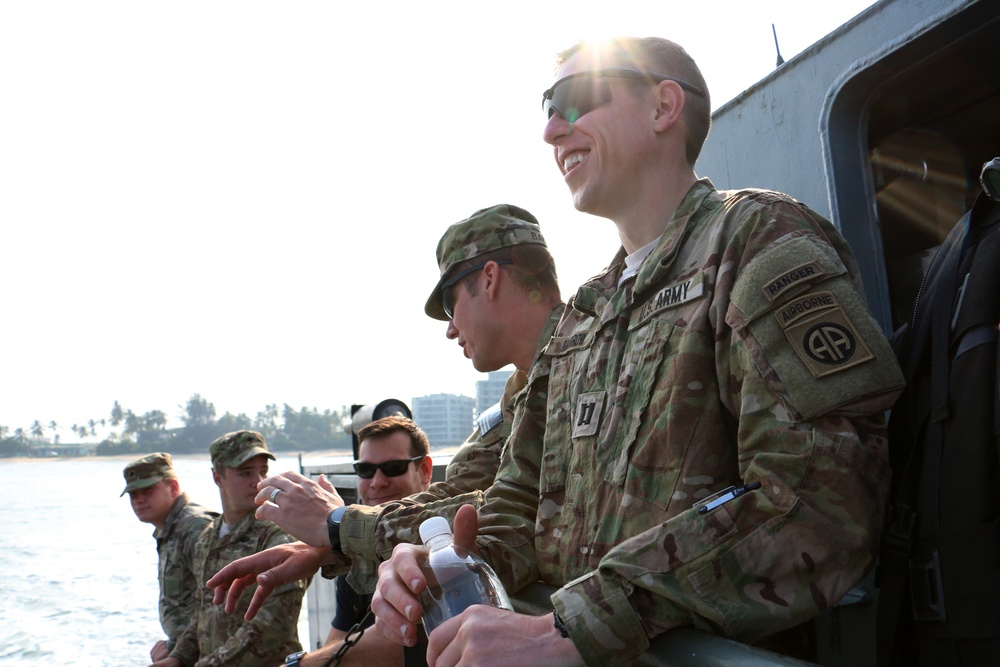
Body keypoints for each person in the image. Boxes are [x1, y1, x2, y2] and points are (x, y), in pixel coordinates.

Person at [368, 36, 905, 666]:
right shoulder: (588, 314)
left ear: (663, 107)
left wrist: (576, 627)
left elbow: (819, 500)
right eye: (547, 107)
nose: (550, 130)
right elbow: (523, 502)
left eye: (572, 100)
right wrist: (440, 564)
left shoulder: (754, 243)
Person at [206, 205, 564, 617]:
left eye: (450, 304)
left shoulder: (582, 363)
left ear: (489, 279)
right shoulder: (524, 388)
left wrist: (341, 525)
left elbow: (510, 519)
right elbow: (463, 492)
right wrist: (329, 544)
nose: (450, 328)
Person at [286, 416, 434, 667]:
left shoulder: (444, 544)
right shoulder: (353, 554)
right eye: (365, 470)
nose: (377, 482)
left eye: (393, 467)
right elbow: (341, 637)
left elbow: (400, 644)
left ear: (425, 470)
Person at [154, 430, 305, 667]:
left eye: (263, 471)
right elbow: (203, 611)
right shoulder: (207, 538)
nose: (258, 481)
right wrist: (178, 657)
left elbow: (273, 628)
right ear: (218, 478)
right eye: (245, 473)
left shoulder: (278, 536)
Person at [122, 452, 218, 662]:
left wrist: (177, 649)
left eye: (148, 490)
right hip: (192, 652)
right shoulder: (171, 528)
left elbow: (219, 602)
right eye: (133, 494)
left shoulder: (194, 527)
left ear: (173, 487)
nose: (139, 500)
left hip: (208, 653)